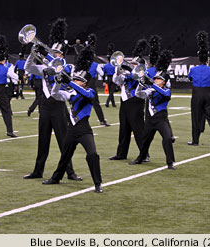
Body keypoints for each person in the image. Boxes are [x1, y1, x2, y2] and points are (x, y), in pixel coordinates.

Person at [23, 18, 82, 181]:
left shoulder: (69, 68)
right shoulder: (44, 68)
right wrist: (33, 52)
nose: (53, 56)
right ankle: (38, 171)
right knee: (43, 141)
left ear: (61, 55)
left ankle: (70, 172)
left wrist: (53, 66)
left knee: (64, 141)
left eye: (56, 54)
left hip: (59, 107)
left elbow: (65, 77)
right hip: (45, 106)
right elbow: (28, 68)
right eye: (52, 53)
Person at [42, 46, 103, 193]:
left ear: (84, 82)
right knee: (65, 155)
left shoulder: (89, 91)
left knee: (92, 154)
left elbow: (86, 95)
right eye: (75, 79)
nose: (76, 81)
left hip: (84, 130)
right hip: (71, 130)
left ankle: (97, 183)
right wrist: (58, 80)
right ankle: (56, 178)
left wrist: (69, 81)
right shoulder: (70, 93)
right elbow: (55, 94)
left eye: (79, 80)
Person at [109, 39, 149, 161]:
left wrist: (128, 70)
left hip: (136, 102)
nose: (133, 65)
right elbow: (116, 81)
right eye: (133, 64)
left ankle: (144, 154)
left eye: (135, 64)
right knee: (124, 129)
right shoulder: (127, 72)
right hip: (125, 102)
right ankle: (121, 153)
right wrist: (118, 69)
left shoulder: (143, 73)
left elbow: (136, 77)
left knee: (139, 130)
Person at [129, 70, 176, 170]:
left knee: (167, 138)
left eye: (158, 79)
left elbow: (163, 93)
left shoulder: (167, 91)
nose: (155, 80)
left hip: (161, 119)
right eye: (155, 78)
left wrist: (151, 84)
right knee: (145, 140)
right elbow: (138, 94)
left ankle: (170, 162)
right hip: (150, 120)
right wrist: (141, 85)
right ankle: (140, 158)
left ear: (164, 82)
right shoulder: (150, 89)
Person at [187, 31, 210, 147]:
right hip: (208, 93)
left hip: (197, 93)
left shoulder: (193, 69)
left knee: (196, 117)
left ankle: (195, 140)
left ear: (199, 59)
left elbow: (190, 78)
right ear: (207, 60)